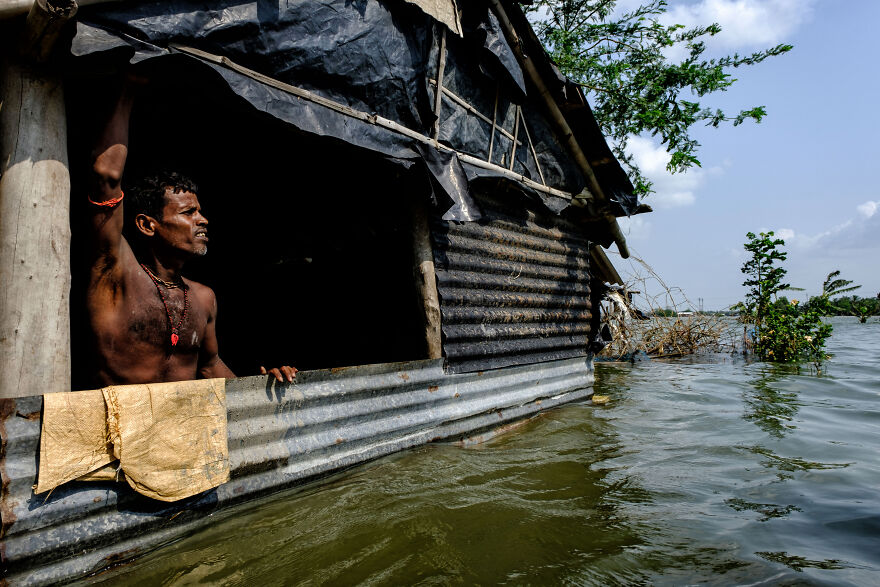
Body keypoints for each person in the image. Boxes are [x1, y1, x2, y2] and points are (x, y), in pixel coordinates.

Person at [86, 73, 295, 386]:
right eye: (188, 212)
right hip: (121, 429)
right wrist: (128, 88)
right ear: (146, 225)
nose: (203, 220)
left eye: (201, 211)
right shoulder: (115, 272)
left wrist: (261, 390)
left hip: (185, 432)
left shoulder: (203, 298)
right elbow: (105, 177)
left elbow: (209, 367)